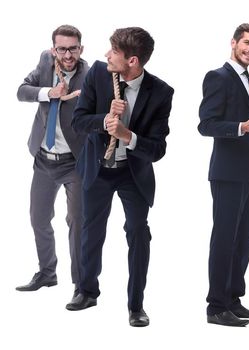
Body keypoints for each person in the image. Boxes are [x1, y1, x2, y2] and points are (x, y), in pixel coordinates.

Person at [67, 27, 174, 328]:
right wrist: (104, 119)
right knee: (91, 231)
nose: (106, 55)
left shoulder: (161, 92)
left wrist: (128, 136)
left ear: (133, 61)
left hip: (133, 173)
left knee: (138, 233)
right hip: (98, 168)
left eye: (113, 51)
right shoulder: (98, 74)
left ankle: (136, 305)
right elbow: (78, 121)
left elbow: (158, 149)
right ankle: (86, 291)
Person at [198, 23, 249, 327]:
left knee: (246, 237)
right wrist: (240, 127)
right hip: (227, 172)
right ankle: (216, 307)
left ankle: (233, 299)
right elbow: (205, 125)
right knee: (225, 238)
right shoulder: (218, 77)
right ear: (233, 42)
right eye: (247, 43)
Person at [15, 25, 88, 293]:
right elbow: (22, 91)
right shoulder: (45, 64)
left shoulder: (90, 75)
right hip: (44, 158)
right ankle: (47, 272)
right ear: (52, 49)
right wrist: (48, 93)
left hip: (74, 162)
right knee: (38, 218)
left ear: (81, 48)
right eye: (62, 48)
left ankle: (81, 284)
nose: (68, 54)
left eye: (73, 48)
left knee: (77, 222)